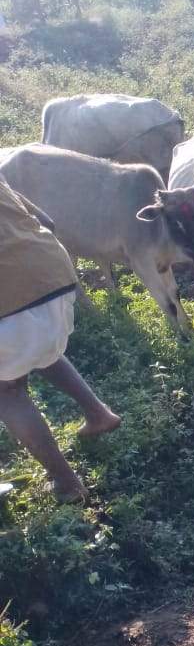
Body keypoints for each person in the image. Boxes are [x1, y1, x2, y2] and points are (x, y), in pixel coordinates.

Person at [0, 178, 120, 503]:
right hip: (53, 276)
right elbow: (46, 222)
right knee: (38, 350)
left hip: (8, 301)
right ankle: (99, 414)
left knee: (8, 391)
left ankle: (67, 483)